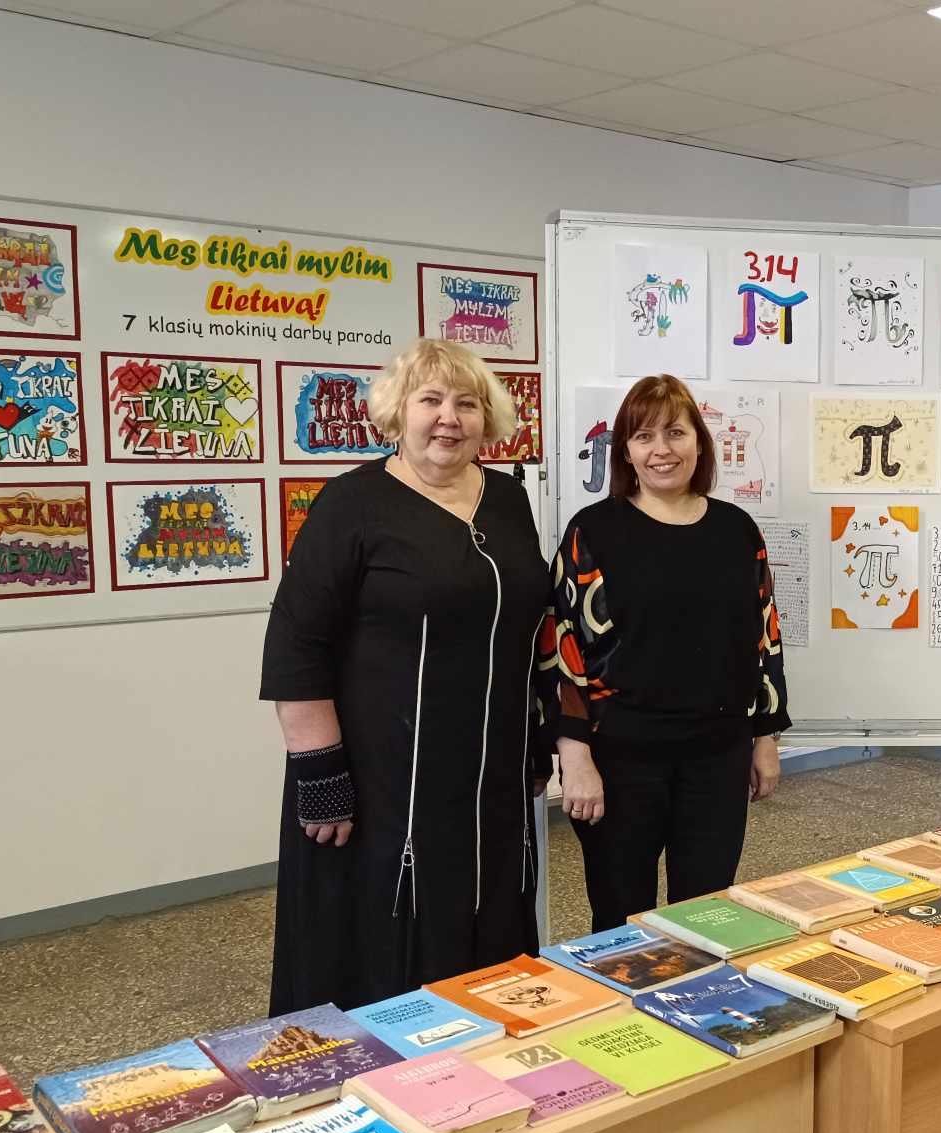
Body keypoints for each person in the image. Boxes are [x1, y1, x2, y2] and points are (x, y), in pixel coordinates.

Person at [260, 338, 552, 1013]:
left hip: (489, 778)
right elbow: (296, 643)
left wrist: (536, 740)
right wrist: (320, 773)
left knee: (490, 940)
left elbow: (525, 626)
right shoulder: (352, 504)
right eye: (431, 400)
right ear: (398, 412)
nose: (449, 418)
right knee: (384, 943)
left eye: (467, 403)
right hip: (382, 780)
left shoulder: (508, 500)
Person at [541, 374, 790, 932]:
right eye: (644, 436)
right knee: (620, 922)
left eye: (675, 433)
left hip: (718, 758)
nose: (661, 450)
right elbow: (562, 648)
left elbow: (765, 638)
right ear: (625, 451)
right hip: (620, 761)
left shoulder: (736, 530)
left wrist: (765, 738)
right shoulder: (593, 531)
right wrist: (575, 759)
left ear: (699, 442)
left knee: (706, 919)